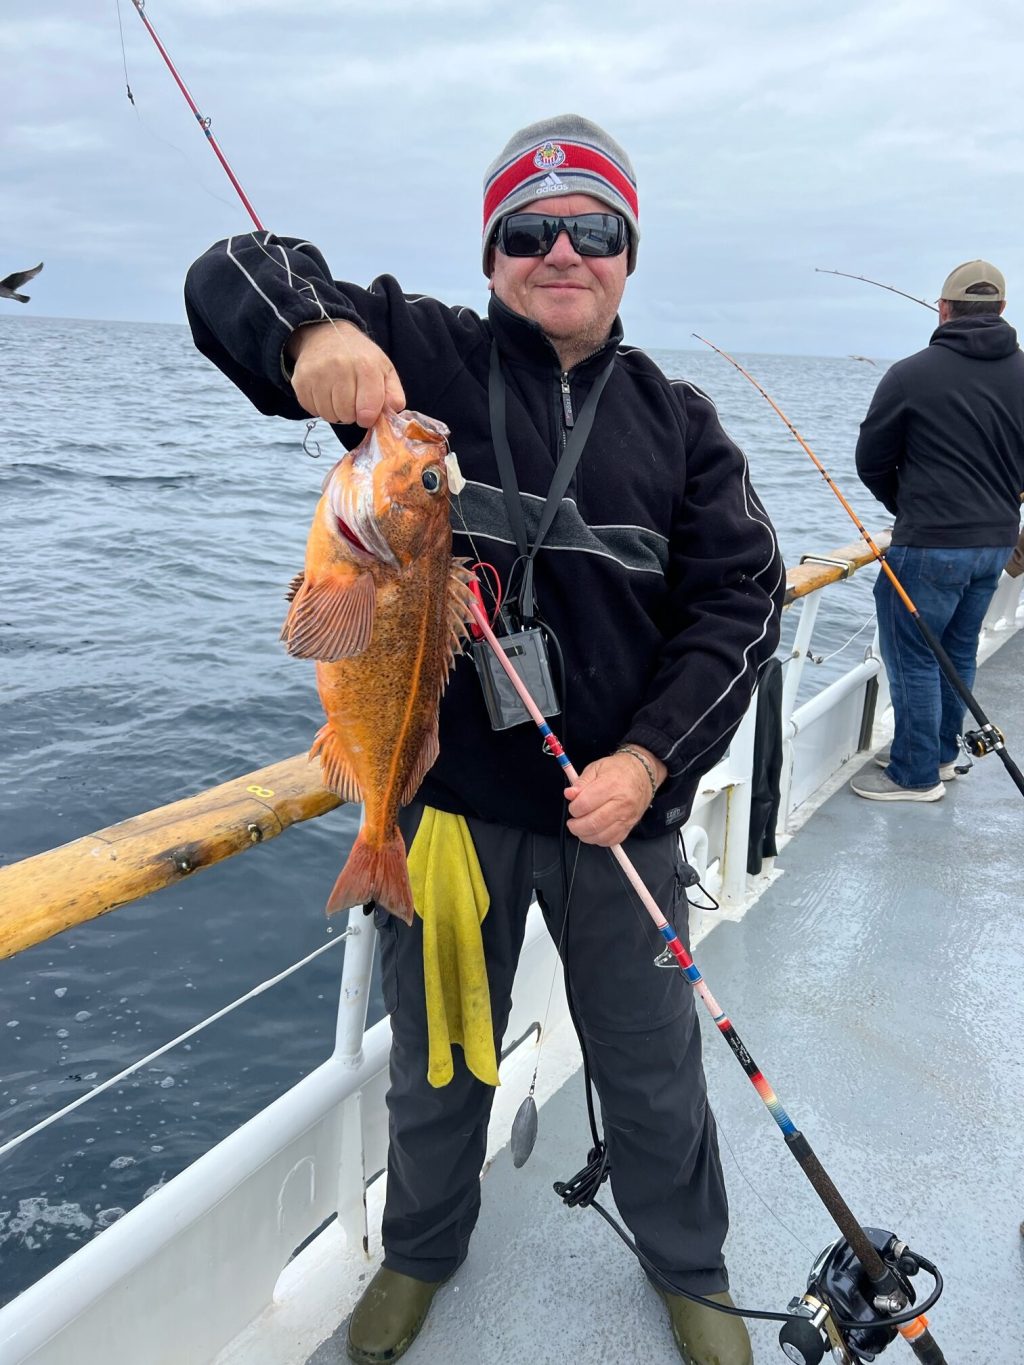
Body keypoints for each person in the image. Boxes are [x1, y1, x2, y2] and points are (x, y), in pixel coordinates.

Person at [185, 114, 784, 1365]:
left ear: (628, 253)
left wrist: (651, 759)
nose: (560, 250)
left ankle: (691, 1271)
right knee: (440, 1067)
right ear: (492, 249)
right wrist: (313, 330)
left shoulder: (682, 426)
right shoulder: (421, 357)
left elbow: (743, 601)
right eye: (529, 228)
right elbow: (228, 272)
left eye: (592, 229)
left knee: (653, 1065)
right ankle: (418, 1252)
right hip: (444, 810)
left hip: (618, 815)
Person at [851, 260, 1024, 803]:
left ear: (943, 309)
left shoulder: (910, 374)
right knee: (958, 648)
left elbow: (871, 459)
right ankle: (942, 754)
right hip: (995, 543)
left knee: (915, 654)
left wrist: (906, 506)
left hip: (929, 543)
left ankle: (915, 773)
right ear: (1000, 310)